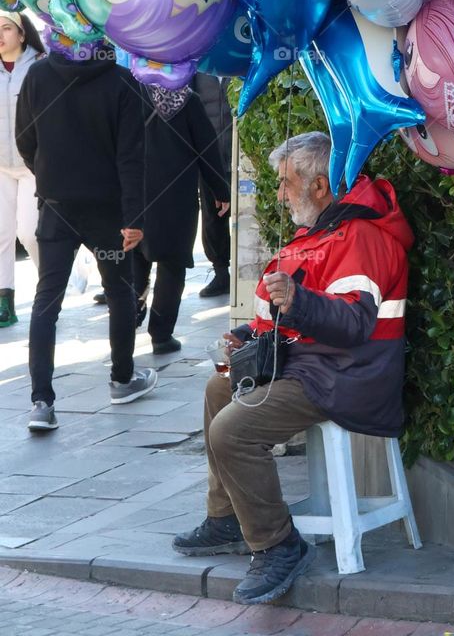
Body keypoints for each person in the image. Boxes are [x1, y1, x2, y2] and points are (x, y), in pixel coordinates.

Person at [173, 131, 413, 607]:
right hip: (313, 366)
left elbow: (352, 325)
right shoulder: (318, 233)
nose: (279, 194)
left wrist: (298, 301)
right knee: (219, 388)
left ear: (320, 186)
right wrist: (244, 340)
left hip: (349, 376)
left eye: (286, 184)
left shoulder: (360, 237)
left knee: (233, 430)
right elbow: (281, 318)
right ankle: (227, 519)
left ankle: (278, 544)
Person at [15, 39, 157, 431]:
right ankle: (122, 378)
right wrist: (135, 217)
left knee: (48, 299)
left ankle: (41, 402)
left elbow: (25, 139)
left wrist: (48, 174)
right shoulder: (123, 80)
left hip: (57, 204)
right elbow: (131, 155)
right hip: (107, 208)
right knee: (118, 291)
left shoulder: (38, 75)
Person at [133, 82, 231, 354]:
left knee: (134, 259)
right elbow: (207, 147)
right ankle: (161, 336)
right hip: (176, 196)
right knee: (172, 264)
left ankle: (129, 319)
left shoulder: (126, 93)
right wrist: (220, 189)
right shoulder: (186, 99)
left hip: (132, 193)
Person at [0, 11, 44, 328]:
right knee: (1, 235)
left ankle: (49, 289)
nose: (0, 35)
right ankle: (5, 301)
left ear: (22, 33)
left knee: (29, 233)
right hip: (1, 167)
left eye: (6, 28)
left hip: (34, 166)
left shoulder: (41, 65)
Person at [194, 72, 233, 298]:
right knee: (212, 215)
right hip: (208, 158)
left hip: (241, 154)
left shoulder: (240, 65)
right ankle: (221, 272)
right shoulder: (199, 71)